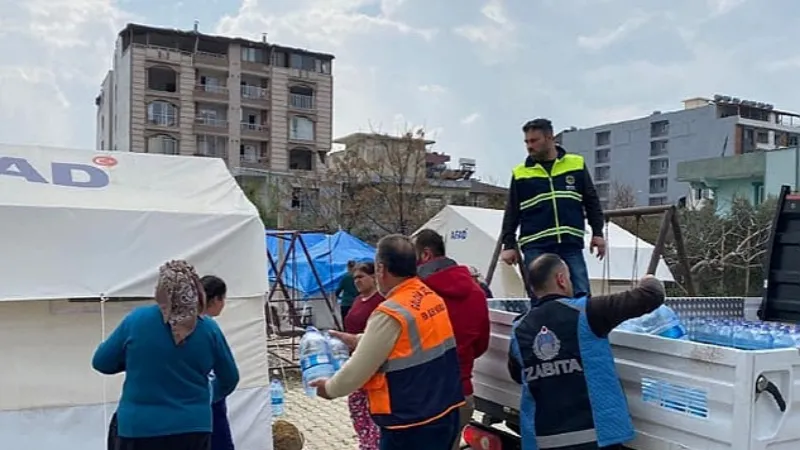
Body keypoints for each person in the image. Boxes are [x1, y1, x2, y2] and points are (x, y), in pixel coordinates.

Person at [309, 235, 465, 450]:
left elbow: (358, 370)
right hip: (445, 411)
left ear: (380, 269)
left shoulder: (391, 312)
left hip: (409, 424)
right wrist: (358, 340)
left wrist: (329, 388)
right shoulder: (430, 297)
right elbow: (413, 343)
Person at [507, 254, 665, 450]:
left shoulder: (519, 327)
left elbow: (517, 374)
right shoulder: (588, 312)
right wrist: (648, 280)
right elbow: (651, 295)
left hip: (543, 440)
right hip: (595, 438)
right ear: (561, 279)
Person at [93, 260, 240, 450]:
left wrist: (133, 361)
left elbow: (101, 363)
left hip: (139, 427)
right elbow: (230, 378)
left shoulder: (137, 320)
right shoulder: (208, 328)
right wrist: (206, 396)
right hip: (192, 427)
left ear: (160, 290)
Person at [500, 118, 606, 298]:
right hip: (535, 245)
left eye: (534, 141)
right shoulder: (521, 173)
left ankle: (581, 325)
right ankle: (543, 325)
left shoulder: (575, 164)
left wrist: (598, 232)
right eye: (526, 142)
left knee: (581, 292)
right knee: (540, 296)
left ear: (549, 138)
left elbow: (591, 200)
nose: (529, 146)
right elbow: (512, 211)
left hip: (569, 243)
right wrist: (509, 244)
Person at [414, 229, 490, 450]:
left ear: (426, 255)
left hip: (424, 397)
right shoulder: (476, 292)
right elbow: (481, 344)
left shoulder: (418, 293)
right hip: (461, 394)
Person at [343, 262, 384, 450]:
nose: (357, 281)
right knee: (357, 410)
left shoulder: (381, 302)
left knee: (373, 415)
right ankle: (365, 445)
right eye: (355, 278)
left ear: (374, 277)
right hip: (355, 364)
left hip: (373, 367)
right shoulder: (359, 300)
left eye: (361, 277)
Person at [201, 275, 235, 450]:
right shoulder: (208, 327)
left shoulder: (177, 325)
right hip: (208, 396)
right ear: (216, 299)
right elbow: (230, 375)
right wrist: (214, 394)